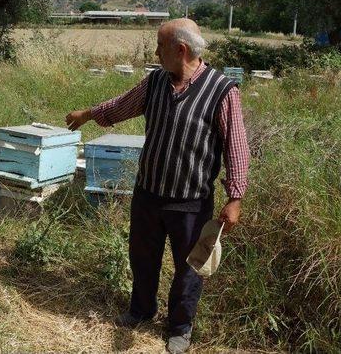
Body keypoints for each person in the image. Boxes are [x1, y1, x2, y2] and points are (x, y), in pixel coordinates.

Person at [65, 19, 250, 354]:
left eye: (159, 45)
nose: (155, 52)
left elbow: (236, 145)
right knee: (143, 258)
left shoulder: (222, 91)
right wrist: (89, 113)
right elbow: (120, 106)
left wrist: (235, 197)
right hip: (148, 194)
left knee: (188, 269)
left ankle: (179, 328)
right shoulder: (155, 83)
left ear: (180, 50)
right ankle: (141, 310)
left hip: (192, 203)